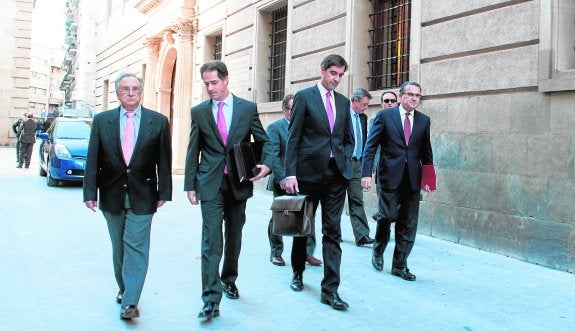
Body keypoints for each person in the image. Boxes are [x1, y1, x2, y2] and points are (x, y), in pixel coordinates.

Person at [184, 60, 272, 322]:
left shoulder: (247, 109)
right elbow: (193, 150)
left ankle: (229, 279)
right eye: (206, 84)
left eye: (214, 83)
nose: (210, 88)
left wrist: (266, 165)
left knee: (234, 235)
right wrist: (190, 184)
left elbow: (264, 140)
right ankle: (210, 299)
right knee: (211, 240)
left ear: (225, 80)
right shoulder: (199, 112)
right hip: (210, 184)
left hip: (238, 181)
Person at [83, 72, 172, 320]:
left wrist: (164, 190)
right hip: (111, 193)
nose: (131, 93)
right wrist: (90, 192)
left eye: (135, 89)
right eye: (125, 89)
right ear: (117, 93)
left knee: (137, 247)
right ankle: (124, 288)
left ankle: (130, 301)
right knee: (119, 247)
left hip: (143, 194)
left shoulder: (158, 121)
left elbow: (164, 159)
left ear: (141, 92)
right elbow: (93, 159)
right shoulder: (102, 121)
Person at [284, 54, 354, 310]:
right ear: (322, 70)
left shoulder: (344, 103)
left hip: (336, 176)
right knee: (303, 228)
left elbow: (348, 138)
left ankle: (330, 289)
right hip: (307, 174)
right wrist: (290, 172)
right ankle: (297, 272)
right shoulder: (304, 97)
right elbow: (294, 137)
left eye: (340, 75)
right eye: (333, 73)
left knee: (332, 231)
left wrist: (344, 157)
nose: (336, 79)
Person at [361, 81, 433, 281]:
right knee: (386, 216)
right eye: (410, 94)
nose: (414, 98)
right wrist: (366, 173)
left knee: (408, 223)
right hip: (388, 177)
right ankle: (378, 249)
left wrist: (429, 178)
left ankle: (400, 265)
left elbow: (426, 151)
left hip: (412, 179)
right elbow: (371, 146)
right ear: (401, 96)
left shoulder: (423, 120)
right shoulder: (385, 116)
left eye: (417, 95)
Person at [266, 94, 321, 267]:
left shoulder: (306, 127)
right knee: (280, 215)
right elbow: (273, 156)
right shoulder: (275, 128)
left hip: (304, 179)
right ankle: (276, 252)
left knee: (308, 215)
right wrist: (283, 177)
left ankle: (307, 252)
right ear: (285, 110)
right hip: (282, 180)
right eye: (293, 109)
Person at [346, 88, 375, 246]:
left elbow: (365, 141)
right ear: (355, 101)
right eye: (363, 104)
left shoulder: (363, 118)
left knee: (357, 199)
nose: (365, 107)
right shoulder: (342, 115)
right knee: (335, 202)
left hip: (358, 163)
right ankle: (332, 233)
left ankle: (362, 235)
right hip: (342, 164)